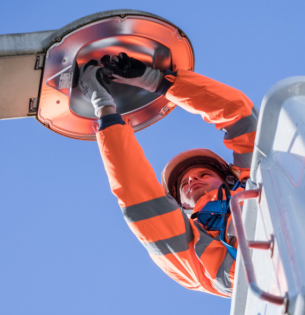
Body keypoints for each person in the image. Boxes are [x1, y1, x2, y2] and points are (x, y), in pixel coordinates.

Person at [77, 54, 257, 297]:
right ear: (182, 206)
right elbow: (138, 193)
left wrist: (156, 80)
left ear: (229, 180)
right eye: (184, 183)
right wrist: (103, 105)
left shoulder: (255, 182)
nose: (193, 180)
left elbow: (242, 116)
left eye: (204, 173)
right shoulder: (190, 255)